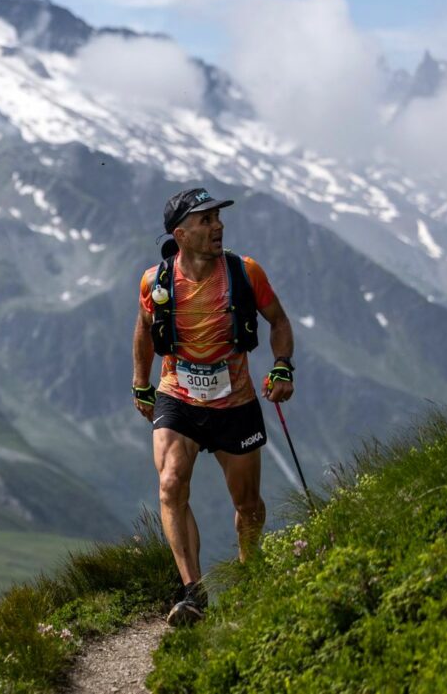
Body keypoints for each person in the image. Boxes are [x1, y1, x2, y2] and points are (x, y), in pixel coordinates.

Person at [131, 187, 295, 626]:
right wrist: (140, 384)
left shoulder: (245, 272)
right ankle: (193, 593)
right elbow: (145, 330)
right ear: (180, 233)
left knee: (247, 505)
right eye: (205, 220)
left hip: (234, 400)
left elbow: (278, 320)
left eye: (217, 218)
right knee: (170, 485)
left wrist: (282, 367)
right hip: (177, 395)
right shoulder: (156, 281)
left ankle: (249, 579)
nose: (217, 226)